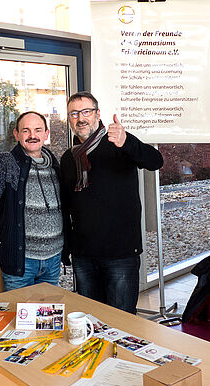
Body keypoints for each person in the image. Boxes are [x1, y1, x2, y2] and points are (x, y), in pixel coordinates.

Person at [60, 92, 163, 314]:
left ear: (98, 114)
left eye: (86, 112)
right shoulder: (69, 158)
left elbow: (156, 161)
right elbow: (67, 205)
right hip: (84, 255)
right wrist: (67, 247)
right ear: (69, 119)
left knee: (122, 321)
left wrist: (128, 142)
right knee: (90, 318)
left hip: (121, 255)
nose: (81, 118)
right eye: (74, 114)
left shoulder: (119, 143)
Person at [0, 111, 64, 291]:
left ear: (46, 134)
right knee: (20, 317)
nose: (32, 136)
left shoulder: (54, 164)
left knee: (45, 318)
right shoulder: (8, 162)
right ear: (16, 134)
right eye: (26, 131)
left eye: (38, 130)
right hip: (21, 261)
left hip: (53, 259)